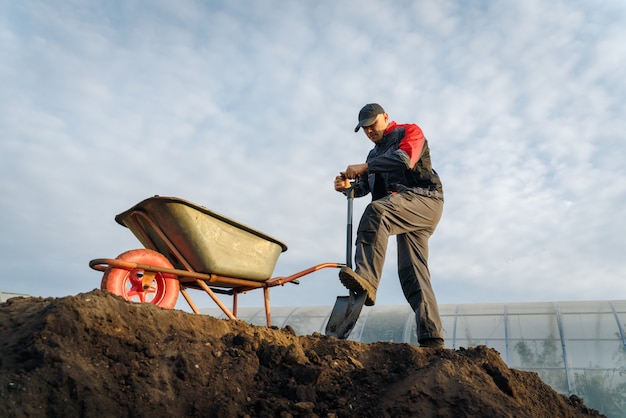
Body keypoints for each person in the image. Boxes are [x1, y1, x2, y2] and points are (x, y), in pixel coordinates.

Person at [334, 103, 445, 348]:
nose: (369, 131)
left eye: (373, 124)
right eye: (364, 128)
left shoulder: (409, 132)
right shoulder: (373, 156)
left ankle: (367, 279)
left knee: (377, 212)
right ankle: (432, 339)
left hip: (425, 200)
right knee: (411, 273)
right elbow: (365, 188)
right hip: (401, 209)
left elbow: (404, 159)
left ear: (386, 118)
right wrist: (348, 188)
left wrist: (365, 167)